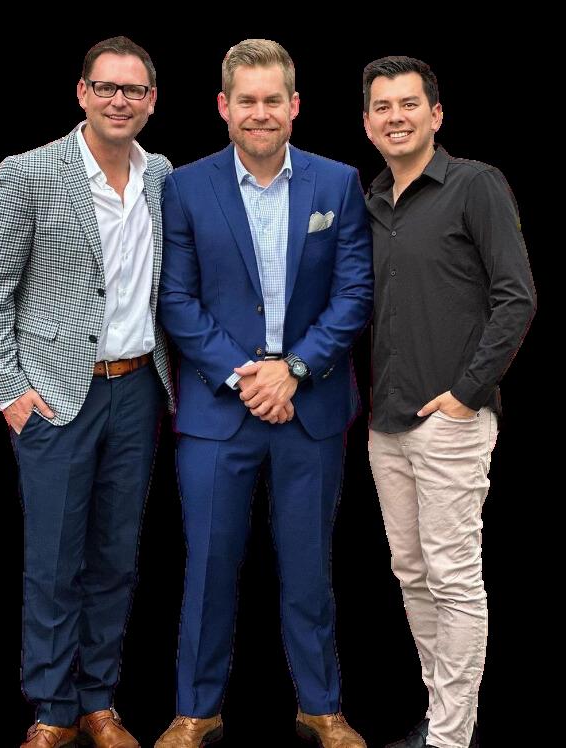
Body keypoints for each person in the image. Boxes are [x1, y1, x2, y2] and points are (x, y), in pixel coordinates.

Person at [156, 38, 373, 748]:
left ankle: (321, 707)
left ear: (294, 105)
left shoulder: (337, 183)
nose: (260, 113)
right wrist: (245, 374)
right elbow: (177, 299)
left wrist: (295, 369)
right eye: (245, 100)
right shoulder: (185, 187)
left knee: (309, 567)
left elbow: (354, 293)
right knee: (209, 566)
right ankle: (195, 711)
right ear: (223, 106)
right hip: (219, 411)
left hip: (311, 408)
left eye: (272, 100)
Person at [0, 35, 173, 748]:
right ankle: (52, 710)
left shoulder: (159, 176)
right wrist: (9, 391)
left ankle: (99, 703)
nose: (120, 100)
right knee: (54, 561)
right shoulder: (28, 173)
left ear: (151, 101)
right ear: (82, 93)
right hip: (55, 396)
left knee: (116, 556)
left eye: (134, 89)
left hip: (138, 389)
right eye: (106, 87)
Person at [362, 55, 536, 748]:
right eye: (382, 107)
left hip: (450, 422)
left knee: (454, 576)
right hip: (386, 424)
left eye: (409, 104)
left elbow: (516, 296)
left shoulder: (474, 184)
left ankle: (452, 737)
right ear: (367, 122)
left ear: (436, 114)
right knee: (411, 574)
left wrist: (467, 394)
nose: (396, 117)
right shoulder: (372, 201)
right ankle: (441, 717)